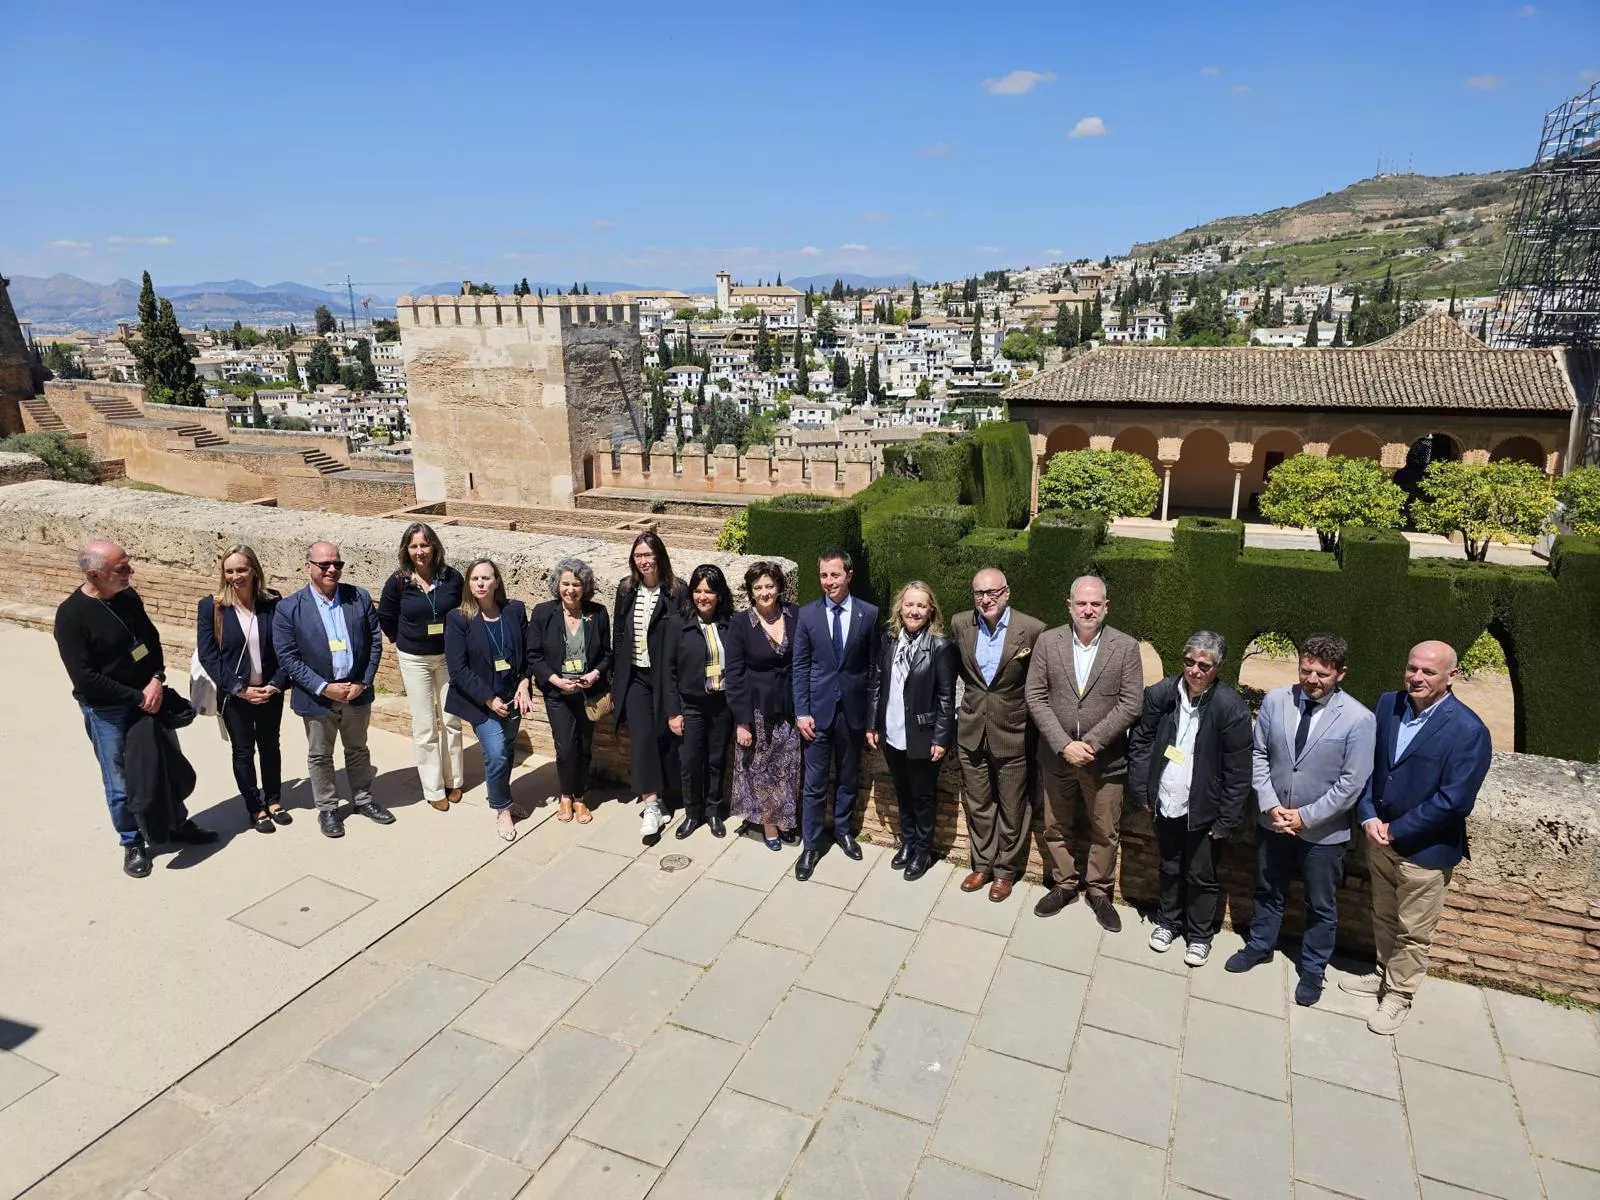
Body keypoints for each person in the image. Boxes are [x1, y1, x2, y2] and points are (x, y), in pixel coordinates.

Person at [1346, 640, 1492, 1035]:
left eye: (1429, 671)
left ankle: (1399, 996)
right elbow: (1370, 765)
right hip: (1378, 837)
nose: (1417, 677)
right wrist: (1368, 816)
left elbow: (1454, 801)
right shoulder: (1388, 704)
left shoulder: (1469, 730)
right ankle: (1381, 974)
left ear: (1451, 677)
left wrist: (1397, 829)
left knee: (1414, 931)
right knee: (1383, 913)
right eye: (1413, 668)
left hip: (1423, 852)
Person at [1226, 634, 1376, 1007]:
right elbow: (1259, 754)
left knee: (1321, 905)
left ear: (1341, 673)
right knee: (1268, 889)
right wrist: (1270, 804)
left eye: (1322, 674)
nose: (1312, 679)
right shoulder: (1276, 700)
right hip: (1273, 822)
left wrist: (1305, 817)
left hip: (1323, 834)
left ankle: (1313, 970)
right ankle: (1260, 946)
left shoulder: (1359, 719)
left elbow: (1351, 783)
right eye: (1306, 670)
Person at [55, 540, 218, 878]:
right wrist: (137, 696)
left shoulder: (128, 598)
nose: (130, 572)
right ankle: (132, 842)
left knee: (166, 766)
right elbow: (86, 678)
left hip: (150, 699)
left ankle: (175, 823)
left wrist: (157, 679)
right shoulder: (71, 616)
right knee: (120, 782)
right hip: (110, 712)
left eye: (128, 565)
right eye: (122, 569)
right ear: (94, 574)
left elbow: (151, 641)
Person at [1126, 631, 1252, 968]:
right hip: (1166, 800)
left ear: (1217, 668)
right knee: (1169, 866)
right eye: (1189, 662)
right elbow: (1141, 741)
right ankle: (1168, 922)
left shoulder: (1231, 708)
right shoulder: (1162, 694)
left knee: (1201, 874)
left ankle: (1199, 935)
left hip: (1203, 808)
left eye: (1204, 665)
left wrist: (1226, 819)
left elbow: (1239, 772)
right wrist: (1142, 789)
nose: (1195, 670)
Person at [1025, 574, 1144, 931]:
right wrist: (1064, 744)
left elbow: (1131, 703)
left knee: (1105, 830)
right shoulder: (1048, 642)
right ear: (1070, 606)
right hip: (1056, 755)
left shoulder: (1125, 647)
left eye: (1095, 604)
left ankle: (1099, 891)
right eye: (1081, 603)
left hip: (1104, 760)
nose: (1088, 610)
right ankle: (1064, 884)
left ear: (1106, 607)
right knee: (1056, 826)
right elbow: (1035, 695)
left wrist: (1090, 744)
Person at [273, 541, 392, 839]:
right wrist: (324, 687)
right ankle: (327, 808)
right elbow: (287, 657)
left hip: (356, 692)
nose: (331, 569)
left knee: (357, 749)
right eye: (324, 564)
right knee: (320, 755)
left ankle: (363, 800)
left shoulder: (358, 597)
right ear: (308, 567)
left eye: (337, 564)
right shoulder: (289, 608)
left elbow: (374, 642)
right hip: (317, 697)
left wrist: (363, 681)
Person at [950, 567, 1045, 902]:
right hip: (972, 729)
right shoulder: (961, 623)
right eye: (979, 593)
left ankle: (1005, 871)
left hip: (1013, 732)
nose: (985, 599)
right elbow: (965, 674)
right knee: (978, 804)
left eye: (992, 592)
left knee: (1013, 807)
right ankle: (982, 864)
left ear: (1007, 592)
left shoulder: (1032, 630)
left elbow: (1038, 686)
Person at [792, 548, 881, 882]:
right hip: (817, 714)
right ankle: (811, 845)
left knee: (847, 777)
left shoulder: (869, 614)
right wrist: (801, 712)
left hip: (853, 714)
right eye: (824, 575)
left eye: (834, 575)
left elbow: (874, 671)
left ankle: (843, 831)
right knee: (814, 784)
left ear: (849, 575)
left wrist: (872, 720)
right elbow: (799, 667)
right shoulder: (808, 615)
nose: (828, 582)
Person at [867, 581, 958, 881]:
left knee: (923, 796)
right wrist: (872, 723)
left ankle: (923, 851)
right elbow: (878, 682)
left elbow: (947, 696)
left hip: (922, 734)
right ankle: (907, 842)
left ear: (930, 610)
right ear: (900, 607)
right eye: (909, 604)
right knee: (902, 791)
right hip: (892, 730)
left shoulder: (941, 646)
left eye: (921, 605)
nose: (914, 611)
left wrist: (941, 738)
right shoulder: (890, 639)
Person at [196, 544, 290, 834]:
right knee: (243, 750)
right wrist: (238, 688)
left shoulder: (272, 602)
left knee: (270, 746)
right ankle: (255, 807)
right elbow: (208, 655)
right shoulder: (212, 607)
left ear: (254, 571)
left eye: (241, 569)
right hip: (235, 695)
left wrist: (275, 684)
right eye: (230, 571)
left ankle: (274, 800)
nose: (236, 576)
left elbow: (286, 648)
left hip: (269, 691)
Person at [378, 522, 465, 812]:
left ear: (435, 547)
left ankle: (454, 780)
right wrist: (403, 640)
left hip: (447, 657)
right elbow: (386, 617)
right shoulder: (399, 581)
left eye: (424, 545)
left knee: (451, 720)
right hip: (414, 659)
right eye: (414, 546)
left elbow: (465, 611)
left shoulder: (452, 578)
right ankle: (433, 787)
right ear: (406, 550)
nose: (420, 552)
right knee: (426, 725)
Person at [445, 559, 532, 841]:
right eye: (475, 579)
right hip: (481, 701)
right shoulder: (459, 618)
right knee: (495, 753)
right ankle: (501, 808)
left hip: (512, 697)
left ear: (497, 581)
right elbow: (458, 669)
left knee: (506, 751)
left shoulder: (514, 611)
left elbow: (530, 653)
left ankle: (503, 796)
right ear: (468, 584)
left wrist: (524, 681)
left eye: (486, 578)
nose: (480, 584)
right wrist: (489, 699)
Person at [612, 531, 687, 838]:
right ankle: (651, 805)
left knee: (665, 738)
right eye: (638, 555)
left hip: (665, 677)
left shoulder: (676, 590)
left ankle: (668, 796)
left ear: (659, 556)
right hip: (635, 677)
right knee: (642, 739)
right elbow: (619, 633)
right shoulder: (627, 589)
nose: (643, 561)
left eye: (648, 554)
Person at [527, 557, 611, 824]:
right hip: (558, 693)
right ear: (557, 585)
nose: (570, 590)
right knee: (565, 748)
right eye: (565, 583)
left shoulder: (598, 613)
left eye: (576, 584)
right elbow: (534, 654)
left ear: (585, 586)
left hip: (588, 694)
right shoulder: (543, 612)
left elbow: (607, 654)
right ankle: (565, 796)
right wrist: (555, 680)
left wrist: (595, 673)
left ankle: (580, 797)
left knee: (585, 747)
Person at [725, 561, 801, 850]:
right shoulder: (741, 623)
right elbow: (734, 673)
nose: (765, 592)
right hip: (757, 711)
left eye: (770, 585)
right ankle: (769, 823)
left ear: (779, 587)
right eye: (758, 587)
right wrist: (742, 721)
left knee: (788, 767)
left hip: (789, 707)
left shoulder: (796, 614)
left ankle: (785, 819)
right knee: (763, 769)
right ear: (751, 591)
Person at [665, 564, 736, 840]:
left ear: (719, 594)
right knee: (691, 762)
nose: (702, 596)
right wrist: (673, 712)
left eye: (709, 591)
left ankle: (714, 812)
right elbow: (668, 672)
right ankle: (693, 813)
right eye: (697, 590)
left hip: (721, 704)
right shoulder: (677, 625)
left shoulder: (730, 623)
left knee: (717, 760)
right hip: (691, 705)